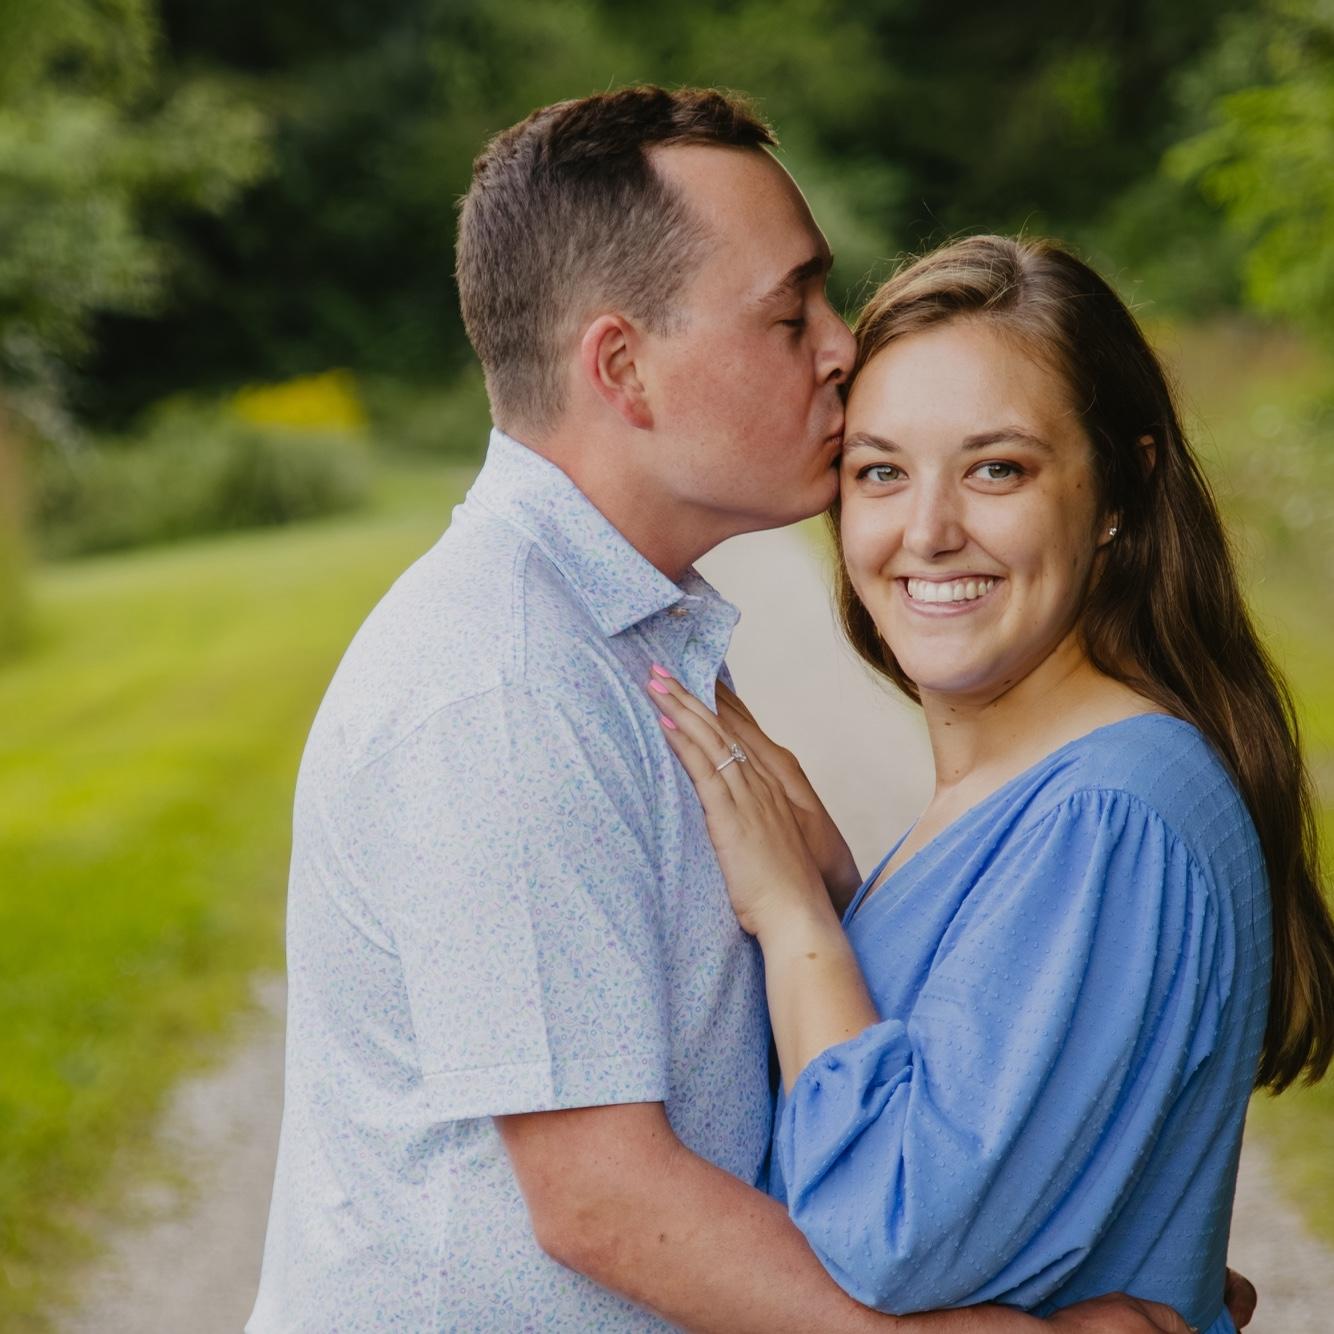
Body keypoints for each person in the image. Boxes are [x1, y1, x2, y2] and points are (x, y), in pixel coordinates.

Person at [247, 88, 1232, 1332]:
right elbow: (602, 1197)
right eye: (789, 311)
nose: (839, 347)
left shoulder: (635, 634)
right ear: (623, 368)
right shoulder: (505, 683)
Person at [646, 235, 1334, 1333]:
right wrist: (839, 894)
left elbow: (890, 1231)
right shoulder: (1038, 787)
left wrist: (795, 922)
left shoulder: (1108, 814)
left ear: (1120, 487)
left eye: (996, 468)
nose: (926, 532)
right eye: (880, 471)